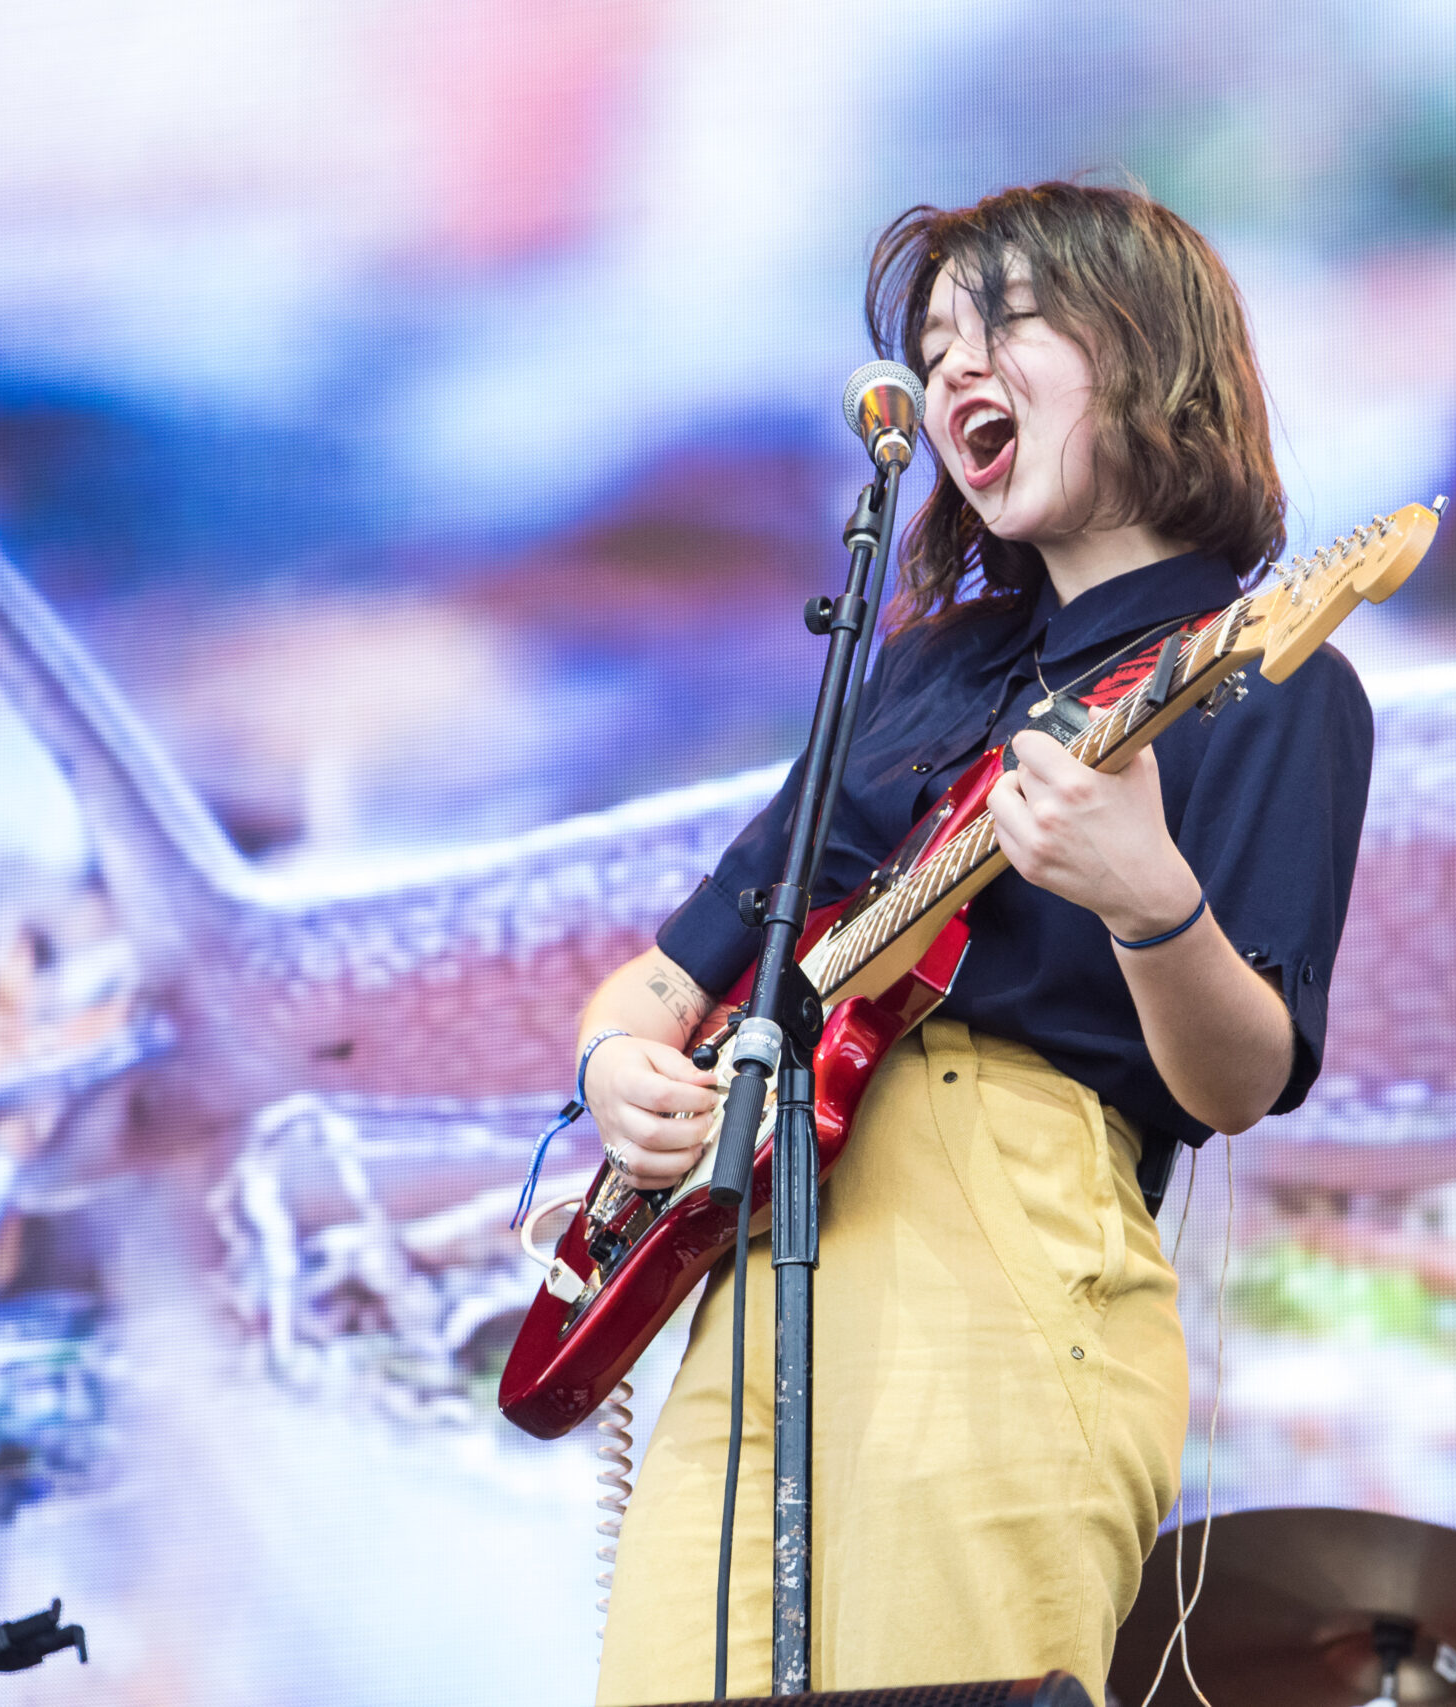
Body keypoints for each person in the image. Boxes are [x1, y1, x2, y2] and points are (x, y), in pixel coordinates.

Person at [574, 182, 1375, 1705]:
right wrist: (616, 1055)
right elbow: (671, 976)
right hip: (767, 1251)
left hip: (1008, 1251)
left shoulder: (1266, 671)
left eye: (1001, 325)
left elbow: (1237, 1075)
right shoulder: (921, 674)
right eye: (932, 347)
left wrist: (1148, 894)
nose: (952, 373)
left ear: (1150, 353)